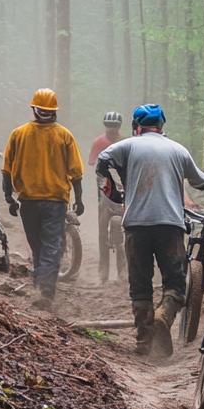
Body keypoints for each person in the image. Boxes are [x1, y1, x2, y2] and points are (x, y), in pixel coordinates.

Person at [97, 104, 204, 358]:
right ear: (161, 126)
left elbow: (103, 161)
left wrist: (112, 186)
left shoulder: (128, 146)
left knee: (140, 285)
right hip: (170, 226)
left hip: (135, 226)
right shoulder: (178, 149)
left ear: (137, 126)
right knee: (176, 282)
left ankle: (145, 341)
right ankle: (163, 317)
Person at [2, 89, 84, 308]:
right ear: (55, 112)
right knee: (50, 247)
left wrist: (9, 198)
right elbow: (76, 171)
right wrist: (79, 198)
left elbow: (7, 169)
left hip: (28, 200)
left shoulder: (19, 134)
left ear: (33, 109)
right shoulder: (64, 135)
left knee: (38, 245)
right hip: (55, 201)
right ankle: (45, 291)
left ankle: (41, 287)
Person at [88, 111, 124, 284]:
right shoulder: (98, 142)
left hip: (123, 188)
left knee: (123, 229)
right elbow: (93, 165)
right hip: (104, 188)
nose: (112, 130)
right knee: (103, 228)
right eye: (109, 127)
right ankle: (103, 271)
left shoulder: (126, 143)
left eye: (115, 127)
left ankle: (123, 271)